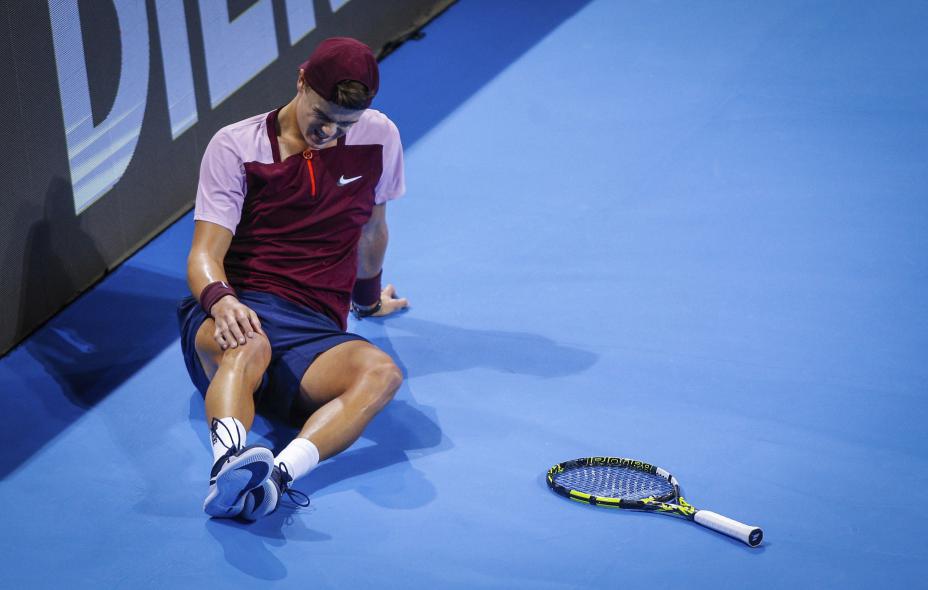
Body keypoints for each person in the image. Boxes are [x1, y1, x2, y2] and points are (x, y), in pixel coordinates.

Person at [176, 37, 409, 521]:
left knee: (383, 373)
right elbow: (203, 255)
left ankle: (274, 479)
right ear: (301, 82)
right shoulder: (236, 146)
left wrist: (367, 302)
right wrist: (222, 301)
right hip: (240, 304)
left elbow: (372, 230)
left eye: (345, 124)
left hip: (316, 329)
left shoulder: (379, 136)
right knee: (249, 346)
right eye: (322, 115)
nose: (330, 131)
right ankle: (226, 468)